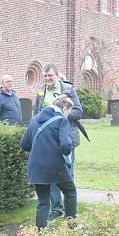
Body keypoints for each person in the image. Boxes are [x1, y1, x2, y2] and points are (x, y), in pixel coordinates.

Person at [33, 64, 83, 220]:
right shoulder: (41, 93)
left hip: (66, 137)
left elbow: (79, 111)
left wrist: (61, 117)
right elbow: (37, 114)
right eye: (45, 76)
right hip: (48, 142)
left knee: (67, 173)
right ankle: (56, 209)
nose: (48, 79)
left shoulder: (68, 90)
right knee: (52, 175)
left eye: (51, 76)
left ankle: (70, 212)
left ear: (57, 76)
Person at [21, 94, 77, 229]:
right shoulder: (61, 121)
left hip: (36, 167)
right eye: (69, 112)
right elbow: (65, 145)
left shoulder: (35, 120)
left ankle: (41, 233)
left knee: (43, 202)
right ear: (65, 109)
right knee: (70, 192)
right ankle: (72, 226)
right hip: (55, 166)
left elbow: (24, 144)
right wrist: (66, 153)